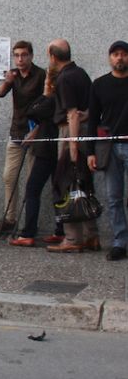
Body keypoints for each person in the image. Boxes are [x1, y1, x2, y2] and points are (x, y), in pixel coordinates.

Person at [0, 41, 46, 236]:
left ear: (31, 56)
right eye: (17, 55)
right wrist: (7, 81)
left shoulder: (40, 75)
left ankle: (28, 224)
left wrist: (37, 130)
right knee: (9, 176)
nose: (20, 59)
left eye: (24, 55)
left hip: (35, 133)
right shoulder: (13, 75)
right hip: (16, 131)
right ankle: (10, 218)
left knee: (31, 181)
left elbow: (48, 105)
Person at [47, 39, 99, 253]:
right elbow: (87, 110)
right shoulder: (81, 73)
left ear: (53, 56)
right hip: (86, 131)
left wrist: (73, 147)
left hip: (71, 132)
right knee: (84, 184)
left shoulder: (65, 78)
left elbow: (73, 114)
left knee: (66, 184)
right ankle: (91, 235)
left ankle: (72, 238)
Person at [10, 65, 65, 247]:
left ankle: (29, 232)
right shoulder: (63, 98)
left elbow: (32, 110)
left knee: (32, 189)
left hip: (46, 150)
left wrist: (45, 93)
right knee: (58, 190)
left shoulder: (50, 100)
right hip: (57, 148)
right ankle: (60, 230)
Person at [87, 40, 128, 261]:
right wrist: (90, 152)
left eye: (123, 54)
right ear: (109, 58)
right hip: (109, 149)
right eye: (115, 54)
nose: (120, 58)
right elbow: (92, 119)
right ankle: (120, 242)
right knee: (113, 198)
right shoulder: (100, 84)